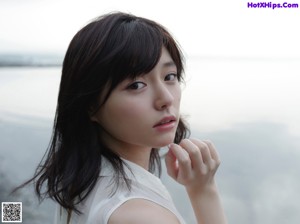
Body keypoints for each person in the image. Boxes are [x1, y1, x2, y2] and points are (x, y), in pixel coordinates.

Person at [17, 12, 227, 224]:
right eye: (136, 85)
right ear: (90, 105)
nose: (166, 98)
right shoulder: (142, 216)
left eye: (169, 77)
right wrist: (204, 191)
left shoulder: (83, 180)